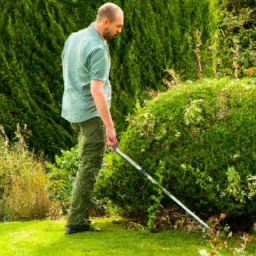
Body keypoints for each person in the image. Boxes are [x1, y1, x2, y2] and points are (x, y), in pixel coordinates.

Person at [61, 3, 123, 235]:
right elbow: (97, 91)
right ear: (106, 22)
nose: (119, 31)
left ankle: (76, 219)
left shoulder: (74, 38)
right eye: (118, 26)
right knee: (89, 166)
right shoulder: (97, 48)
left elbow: (67, 69)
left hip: (73, 111)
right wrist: (109, 126)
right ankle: (76, 223)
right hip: (91, 114)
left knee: (85, 161)